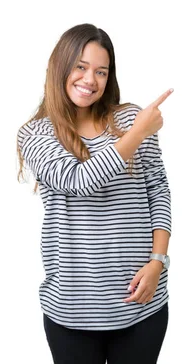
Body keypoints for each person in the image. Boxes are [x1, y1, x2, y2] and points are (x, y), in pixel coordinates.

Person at [17, 23, 172, 364]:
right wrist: (138, 133)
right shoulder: (35, 134)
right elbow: (79, 180)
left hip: (142, 304)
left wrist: (158, 262)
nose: (90, 80)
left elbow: (157, 189)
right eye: (81, 67)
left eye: (101, 72)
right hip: (72, 311)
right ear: (59, 67)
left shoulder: (130, 117)